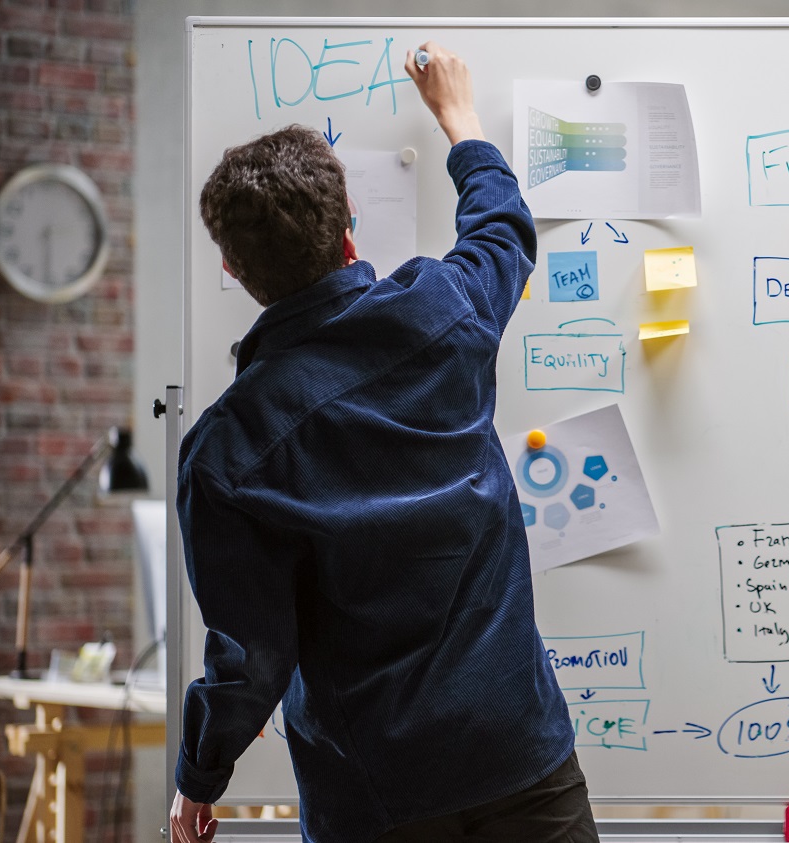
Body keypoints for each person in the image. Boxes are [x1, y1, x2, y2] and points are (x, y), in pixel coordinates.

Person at [168, 43, 597, 843]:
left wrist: (201, 775)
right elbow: (503, 228)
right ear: (350, 236)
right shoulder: (445, 312)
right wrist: (459, 119)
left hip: (376, 800)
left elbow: (250, 659)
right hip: (524, 761)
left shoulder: (225, 454)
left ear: (231, 267)